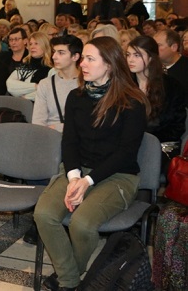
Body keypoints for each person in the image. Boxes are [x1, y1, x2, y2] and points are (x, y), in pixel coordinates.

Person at [34, 36, 149, 291]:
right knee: (43, 214)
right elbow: (70, 142)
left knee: (82, 224)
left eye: (89, 59)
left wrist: (87, 181)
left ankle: (67, 279)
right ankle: (71, 279)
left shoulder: (132, 101)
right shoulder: (77, 97)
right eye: (83, 58)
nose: (82, 64)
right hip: (78, 170)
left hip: (118, 175)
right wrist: (74, 177)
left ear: (109, 64)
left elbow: (126, 153)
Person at [126, 35, 186, 144]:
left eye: (137, 55)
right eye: (128, 55)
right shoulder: (125, 85)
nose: (130, 60)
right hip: (127, 142)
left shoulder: (171, 86)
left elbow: (176, 126)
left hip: (159, 143)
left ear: (151, 58)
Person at [32, 35, 82, 132]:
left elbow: (88, 122)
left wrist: (58, 127)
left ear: (75, 57)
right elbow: (38, 122)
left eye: (61, 53)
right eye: (54, 52)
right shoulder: (45, 84)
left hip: (78, 137)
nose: (54, 57)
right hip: (49, 136)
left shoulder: (87, 84)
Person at [6, 32, 52, 101]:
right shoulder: (24, 65)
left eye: (36, 43)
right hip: (19, 104)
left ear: (45, 46)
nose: (32, 47)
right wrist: (36, 86)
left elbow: (46, 92)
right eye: (30, 44)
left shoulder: (51, 68)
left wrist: (25, 97)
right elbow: (10, 85)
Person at [154, 29, 188, 100]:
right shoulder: (152, 68)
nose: (153, 49)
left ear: (174, 47)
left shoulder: (185, 67)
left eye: (158, 45)